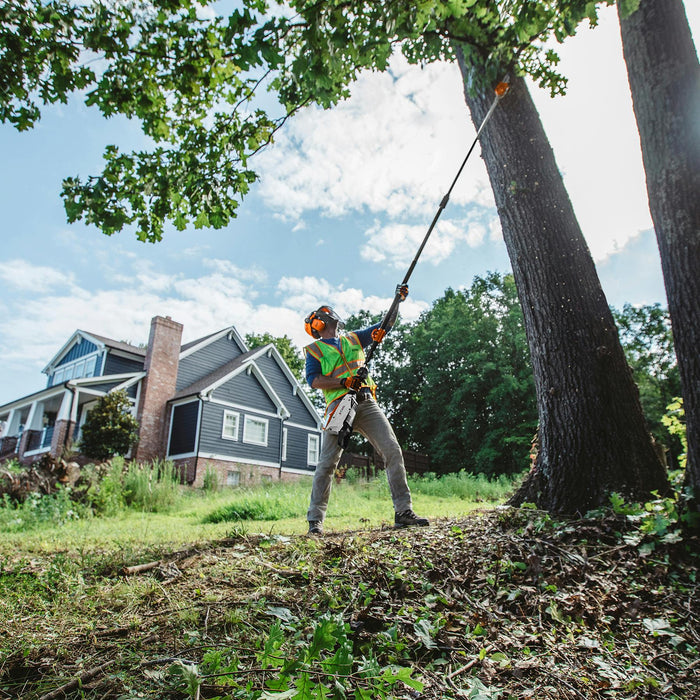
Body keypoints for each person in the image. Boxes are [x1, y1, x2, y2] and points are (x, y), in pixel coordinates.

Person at [303, 286, 429, 535]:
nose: (325, 317)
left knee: (392, 450)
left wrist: (397, 302)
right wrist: (342, 383)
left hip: (365, 402)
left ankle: (403, 511)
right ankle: (315, 521)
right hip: (339, 407)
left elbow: (384, 325)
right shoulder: (314, 351)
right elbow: (314, 380)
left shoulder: (353, 338)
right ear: (318, 323)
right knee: (327, 464)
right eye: (321, 316)